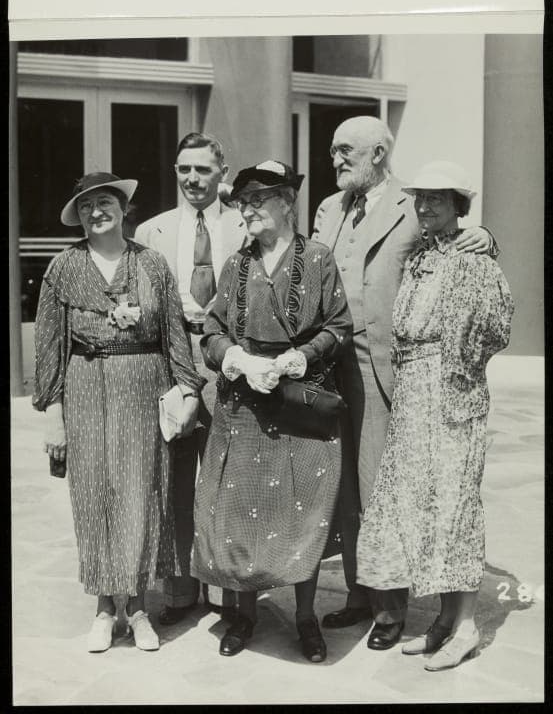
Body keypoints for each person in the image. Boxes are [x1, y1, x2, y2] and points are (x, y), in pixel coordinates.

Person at [312, 116, 497, 649]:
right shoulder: (329, 208)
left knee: (378, 490)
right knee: (342, 489)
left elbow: (453, 236)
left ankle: (389, 612)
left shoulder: (412, 203)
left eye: (346, 150)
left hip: (384, 370)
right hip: (330, 368)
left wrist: (483, 235)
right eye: (333, 151)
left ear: (378, 154)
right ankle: (357, 593)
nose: (337, 159)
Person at [34, 172, 205, 653]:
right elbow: (48, 345)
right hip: (85, 386)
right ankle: (105, 609)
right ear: (78, 215)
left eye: (105, 202)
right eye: (86, 205)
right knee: (93, 496)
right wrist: (54, 414)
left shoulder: (151, 264)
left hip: (142, 386)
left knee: (140, 495)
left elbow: (174, 333)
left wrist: (188, 390)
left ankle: (138, 609)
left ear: (123, 209)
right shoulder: (63, 267)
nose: (96, 212)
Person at [191, 160, 353, 662]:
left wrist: (297, 357)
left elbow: (340, 326)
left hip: (299, 405)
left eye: (259, 200)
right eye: (243, 203)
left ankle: (305, 618)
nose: (249, 210)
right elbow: (212, 332)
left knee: (302, 514)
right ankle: (242, 614)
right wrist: (235, 358)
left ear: (287, 203)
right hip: (241, 408)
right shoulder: (235, 265)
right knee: (236, 514)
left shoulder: (320, 259)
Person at [356, 161, 514, 670]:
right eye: (421, 199)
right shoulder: (423, 252)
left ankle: (465, 626)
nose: (425, 207)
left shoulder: (471, 258)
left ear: (458, 207)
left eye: (438, 200)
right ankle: (442, 621)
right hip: (413, 396)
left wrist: (458, 369)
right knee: (425, 508)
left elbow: (495, 326)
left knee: (455, 507)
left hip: (451, 393)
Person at [135, 132, 246, 625]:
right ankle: (180, 590)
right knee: (176, 474)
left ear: (222, 172)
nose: (192, 179)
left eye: (203, 169)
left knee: (225, 474)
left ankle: (226, 594)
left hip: (229, 358)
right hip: (174, 354)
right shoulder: (153, 231)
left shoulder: (246, 225)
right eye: (184, 169)